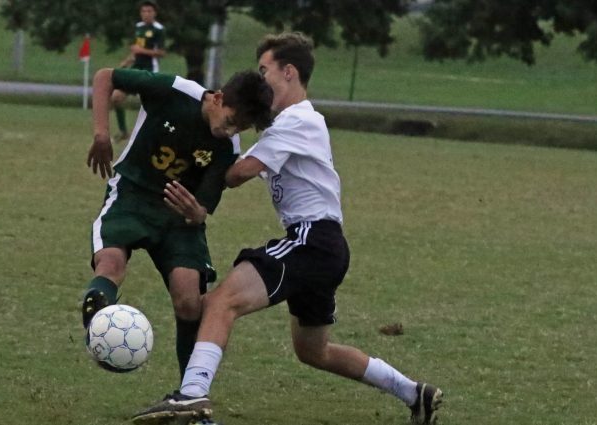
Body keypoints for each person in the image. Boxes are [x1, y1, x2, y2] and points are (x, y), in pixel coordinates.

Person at [132, 32, 444, 424]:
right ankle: (415, 393)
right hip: (326, 247)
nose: (260, 82)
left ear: (289, 72)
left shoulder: (298, 120)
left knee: (219, 302)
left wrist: (208, 143)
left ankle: (191, 395)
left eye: (265, 72)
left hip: (311, 240)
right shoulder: (292, 123)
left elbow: (237, 174)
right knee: (313, 351)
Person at [83, 66, 273, 379]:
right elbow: (106, 77)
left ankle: (189, 392)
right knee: (110, 263)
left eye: (239, 128)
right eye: (229, 121)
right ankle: (97, 320)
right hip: (132, 194)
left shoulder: (226, 148)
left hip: (177, 217)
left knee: (189, 300)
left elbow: (202, 208)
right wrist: (102, 133)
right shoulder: (173, 90)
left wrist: (197, 213)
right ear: (218, 98)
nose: (229, 131)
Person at [112, 0, 166, 141]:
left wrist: (141, 50)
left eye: (149, 11)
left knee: (152, 106)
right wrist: (127, 61)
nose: (146, 14)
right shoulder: (138, 27)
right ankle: (123, 131)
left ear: (154, 13)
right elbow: (136, 51)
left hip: (150, 70)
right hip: (136, 68)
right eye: (144, 11)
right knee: (117, 97)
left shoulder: (158, 29)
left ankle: (158, 135)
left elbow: (161, 52)